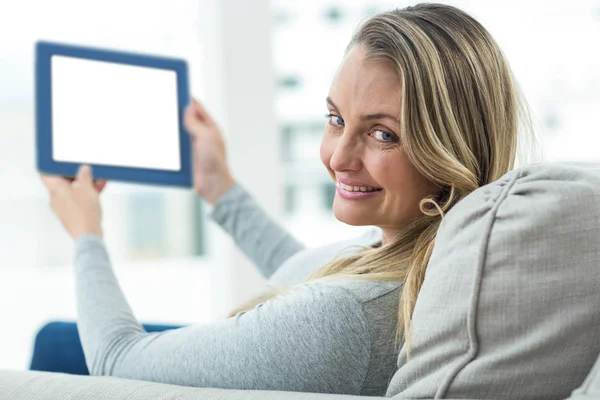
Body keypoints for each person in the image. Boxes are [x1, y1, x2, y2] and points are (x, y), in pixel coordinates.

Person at [39, 3, 536, 396]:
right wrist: (219, 187)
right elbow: (312, 269)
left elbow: (115, 358)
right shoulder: (428, 255)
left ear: (449, 148)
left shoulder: (345, 320)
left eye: (383, 134)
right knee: (62, 336)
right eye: (336, 119)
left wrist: (86, 232)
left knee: (55, 345)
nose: (339, 157)